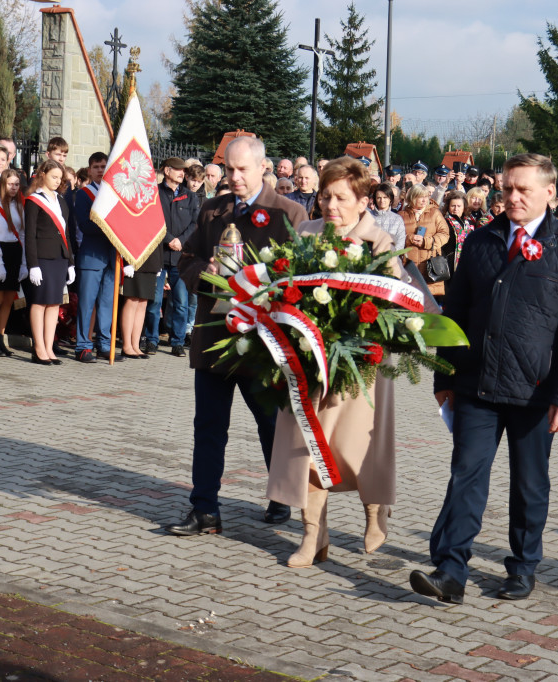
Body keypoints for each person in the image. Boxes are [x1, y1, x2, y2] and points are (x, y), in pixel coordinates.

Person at [410, 153, 558, 604]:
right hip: (476, 383)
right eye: (506, 189)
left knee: (529, 483)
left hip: (537, 391)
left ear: (550, 192)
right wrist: (445, 376)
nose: (512, 198)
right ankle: (451, 571)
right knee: (466, 474)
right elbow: (455, 313)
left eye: (522, 190)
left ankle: (522, 566)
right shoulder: (480, 242)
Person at [165, 136, 307, 536]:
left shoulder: (289, 213)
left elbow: (301, 280)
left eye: (242, 169)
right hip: (215, 337)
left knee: (270, 423)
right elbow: (187, 260)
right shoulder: (213, 210)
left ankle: (281, 494)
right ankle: (205, 509)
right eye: (229, 169)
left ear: (263, 167)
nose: (234, 176)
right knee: (208, 426)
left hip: (262, 343)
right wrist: (206, 274)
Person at [267, 157, 401, 567]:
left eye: (341, 197)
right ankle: (313, 534)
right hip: (307, 366)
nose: (330, 205)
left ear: (362, 201)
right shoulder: (307, 232)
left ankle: (375, 510)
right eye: (325, 196)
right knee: (306, 446)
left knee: (357, 447)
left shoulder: (378, 241)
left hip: (359, 367)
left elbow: (394, 303)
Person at [145, 157, 198, 358]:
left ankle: (177, 342)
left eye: (183, 170)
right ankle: (151, 339)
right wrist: (168, 239)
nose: (182, 173)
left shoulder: (190, 196)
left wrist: (180, 241)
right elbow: (150, 219)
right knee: (154, 302)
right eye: (177, 170)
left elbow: (194, 223)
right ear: (167, 170)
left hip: (180, 257)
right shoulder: (155, 193)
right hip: (158, 255)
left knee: (181, 302)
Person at [24, 160, 74, 365]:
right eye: (54, 177)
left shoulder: (61, 200)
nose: (57, 181)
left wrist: (70, 262)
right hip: (42, 259)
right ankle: (38, 348)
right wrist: (32, 264)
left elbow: (66, 233)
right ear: (42, 174)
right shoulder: (33, 200)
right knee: (39, 302)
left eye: (60, 179)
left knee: (54, 303)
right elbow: (29, 235)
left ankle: (48, 346)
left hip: (60, 258)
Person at [73, 151, 117, 364]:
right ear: (90, 170)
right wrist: (111, 227)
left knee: (107, 304)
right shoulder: (84, 194)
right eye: (97, 167)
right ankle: (82, 345)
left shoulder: (114, 194)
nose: (101, 170)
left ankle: (105, 344)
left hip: (111, 255)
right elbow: (85, 224)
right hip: (91, 256)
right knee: (87, 304)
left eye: (104, 167)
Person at [0, 168, 27, 357]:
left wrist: (24, 262)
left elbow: (24, 233)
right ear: (2, 184)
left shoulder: (19, 205)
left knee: (9, 299)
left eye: (17, 184)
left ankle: (0, 336)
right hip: (0, 251)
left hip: (15, 252)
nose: (13, 187)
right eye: (10, 184)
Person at [398, 184, 449, 298]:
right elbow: (395, 238)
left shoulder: (435, 213)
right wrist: (409, 238)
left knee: (430, 308)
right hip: (409, 267)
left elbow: (444, 234)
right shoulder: (401, 215)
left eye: (426, 196)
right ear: (412, 198)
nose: (424, 200)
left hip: (430, 267)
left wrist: (426, 242)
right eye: (420, 197)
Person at [441, 190, 473, 283]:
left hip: (467, 263)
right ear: (448, 207)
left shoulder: (469, 223)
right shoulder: (444, 222)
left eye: (459, 206)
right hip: (449, 264)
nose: (456, 209)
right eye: (453, 206)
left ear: (464, 207)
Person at [370, 182, 406, 251]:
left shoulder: (397, 219)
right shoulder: (369, 216)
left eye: (385, 197)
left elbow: (400, 241)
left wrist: (391, 256)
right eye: (379, 198)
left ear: (390, 199)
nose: (382, 200)